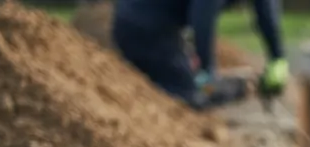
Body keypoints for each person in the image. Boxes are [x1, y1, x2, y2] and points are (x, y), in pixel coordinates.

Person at [112, 0, 288, 109]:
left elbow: (266, 10)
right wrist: (206, 70)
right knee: (196, 94)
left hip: (161, 29)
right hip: (142, 29)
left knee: (197, 82)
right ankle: (241, 87)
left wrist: (277, 57)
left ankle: (227, 84)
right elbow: (201, 17)